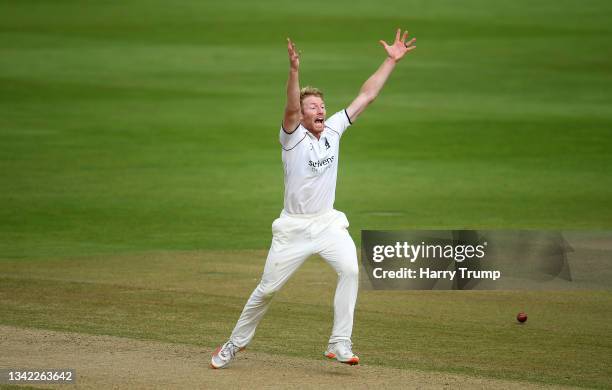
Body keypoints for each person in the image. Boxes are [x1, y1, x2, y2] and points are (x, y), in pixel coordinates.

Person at [210, 28, 416, 369]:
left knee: (350, 269)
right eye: (313, 107)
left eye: (322, 105)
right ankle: (233, 344)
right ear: (303, 117)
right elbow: (290, 107)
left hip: (327, 223)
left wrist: (390, 61)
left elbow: (366, 97)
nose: (320, 110)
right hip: (293, 228)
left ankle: (339, 342)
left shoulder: (333, 129)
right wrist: (294, 71)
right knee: (267, 290)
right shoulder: (292, 138)